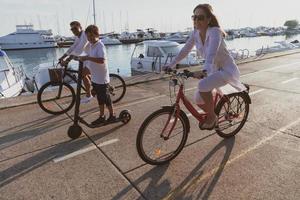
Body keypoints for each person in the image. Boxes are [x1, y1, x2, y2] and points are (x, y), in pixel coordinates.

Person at [165, 3, 246, 130]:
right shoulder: (195, 33)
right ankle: (213, 113)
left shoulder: (215, 32)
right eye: (194, 17)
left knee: (202, 86)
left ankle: (212, 117)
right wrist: (170, 64)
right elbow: (185, 50)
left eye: (200, 17)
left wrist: (204, 71)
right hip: (213, 71)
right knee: (198, 98)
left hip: (226, 70)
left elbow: (211, 55)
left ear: (209, 19)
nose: (196, 20)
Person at [77, 25, 116, 125]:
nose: (89, 38)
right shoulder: (90, 45)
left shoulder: (100, 45)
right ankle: (102, 116)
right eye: (88, 36)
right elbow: (87, 55)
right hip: (95, 76)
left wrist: (88, 58)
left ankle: (112, 116)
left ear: (96, 34)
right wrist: (80, 57)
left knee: (106, 99)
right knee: (100, 98)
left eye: (91, 36)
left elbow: (101, 60)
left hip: (101, 77)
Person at [58, 21, 93, 104]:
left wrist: (68, 59)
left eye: (75, 28)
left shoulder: (84, 35)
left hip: (90, 57)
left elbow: (80, 49)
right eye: (72, 29)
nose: (73, 31)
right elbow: (73, 47)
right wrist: (63, 56)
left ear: (80, 27)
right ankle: (94, 88)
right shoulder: (78, 37)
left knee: (82, 74)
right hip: (84, 58)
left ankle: (89, 95)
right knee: (86, 75)